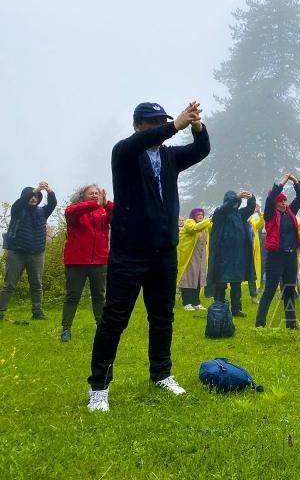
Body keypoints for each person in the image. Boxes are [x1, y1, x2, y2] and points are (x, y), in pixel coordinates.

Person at [87, 101, 209, 412]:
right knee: (114, 319)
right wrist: (175, 125)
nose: (159, 128)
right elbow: (136, 144)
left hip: (164, 253)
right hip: (129, 253)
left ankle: (161, 374)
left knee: (162, 317)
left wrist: (196, 126)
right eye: (152, 123)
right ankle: (99, 387)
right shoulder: (124, 153)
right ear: (138, 126)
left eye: (162, 122)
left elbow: (201, 150)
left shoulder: (169, 156)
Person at [60, 184, 112, 341]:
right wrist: (94, 204)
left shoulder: (103, 211)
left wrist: (106, 203)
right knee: (72, 296)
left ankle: (101, 328)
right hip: (76, 262)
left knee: (99, 296)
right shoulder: (75, 210)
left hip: (99, 261)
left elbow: (120, 213)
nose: (95, 195)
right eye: (91, 193)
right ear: (83, 195)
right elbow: (70, 212)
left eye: (97, 193)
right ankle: (66, 329)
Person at [0, 182, 57, 321]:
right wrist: (35, 189)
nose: (34, 198)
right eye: (32, 196)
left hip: (37, 253)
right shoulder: (17, 210)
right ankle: (1, 311)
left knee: (36, 284)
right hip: (16, 253)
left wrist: (49, 191)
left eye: (37, 196)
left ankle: (37, 312)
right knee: (10, 284)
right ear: (26, 197)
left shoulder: (42, 212)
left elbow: (53, 204)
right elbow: (20, 202)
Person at [255, 173, 300, 329]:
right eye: (281, 201)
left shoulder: (290, 213)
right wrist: (283, 181)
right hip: (275, 256)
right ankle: (260, 323)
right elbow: (270, 199)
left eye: (285, 200)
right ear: (276, 203)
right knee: (269, 290)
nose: (284, 203)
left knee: (289, 290)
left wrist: (295, 181)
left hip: (290, 256)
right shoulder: (270, 215)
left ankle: (291, 324)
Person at [207, 190, 256, 317]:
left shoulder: (240, 214)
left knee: (236, 283)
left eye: (237, 202)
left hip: (237, 256)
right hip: (222, 255)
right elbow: (223, 209)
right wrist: (235, 197)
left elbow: (250, 209)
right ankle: (219, 307)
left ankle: (236, 309)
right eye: (234, 201)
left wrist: (251, 198)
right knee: (221, 283)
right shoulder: (220, 213)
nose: (235, 204)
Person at [176, 208, 211, 311]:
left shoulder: (204, 226)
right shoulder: (189, 222)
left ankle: (196, 302)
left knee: (199, 279)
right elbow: (194, 228)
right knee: (188, 279)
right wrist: (208, 220)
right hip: (190, 257)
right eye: (198, 214)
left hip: (201, 258)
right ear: (193, 215)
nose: (200, 216)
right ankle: (187, 302)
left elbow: (212, 226)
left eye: (202, 214)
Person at [248, 204, 265, 304]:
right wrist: (253, 211)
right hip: (242, 252)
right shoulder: (241, 221)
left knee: (251, 274)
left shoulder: (253, 224)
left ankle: (254, 296)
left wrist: (259, 212)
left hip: (252, 253)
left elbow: (262, 221)